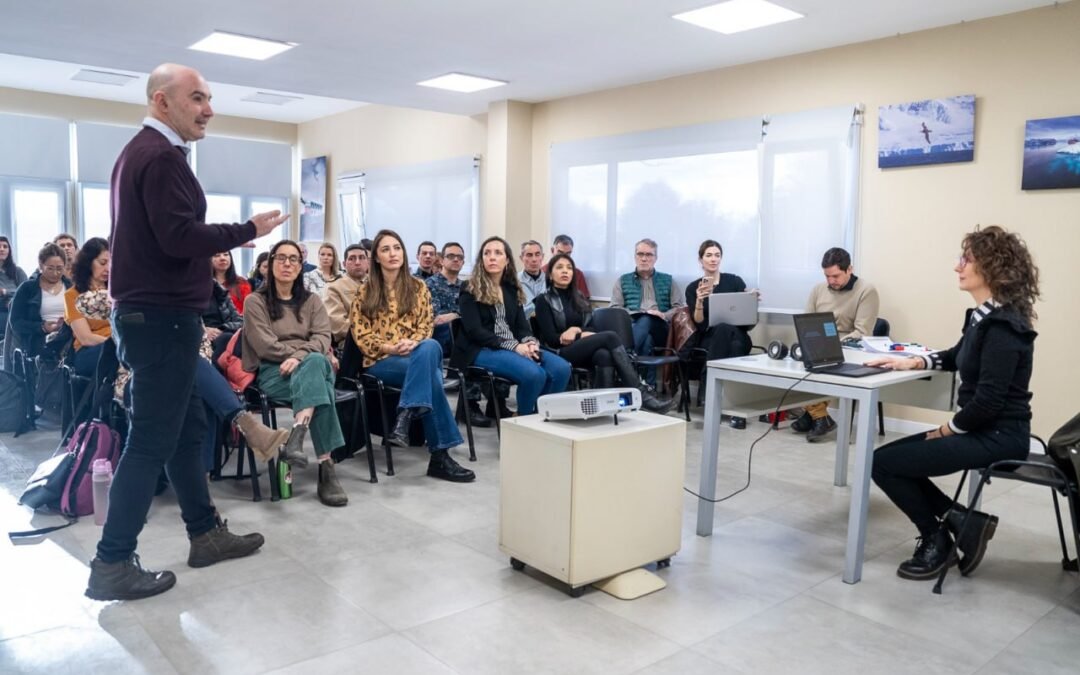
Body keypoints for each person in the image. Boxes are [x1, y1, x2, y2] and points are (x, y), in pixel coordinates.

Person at [85, 63, 288, 602]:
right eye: (197, 98)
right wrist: (248, 230)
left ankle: (204, 533)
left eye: (209, 98)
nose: (209, 109)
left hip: (151, 317)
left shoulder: (145, 154)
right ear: (162, 102)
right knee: (152, 439)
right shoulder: (158, 156)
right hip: (160, 319)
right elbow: (178, 237)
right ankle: (111, 563)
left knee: (186, 428)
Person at [866, 226, 1039, 581]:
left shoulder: (1004, 327)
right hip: (982, 428)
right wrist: (913, 362)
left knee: (883, 464)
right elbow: (955, 356)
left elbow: (988, 402)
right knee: (883, 461)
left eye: (966, 260)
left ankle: (938, 539)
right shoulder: (984, 317)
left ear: (991, 267)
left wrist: (946, 430)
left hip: (999, 435)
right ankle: (963, 522)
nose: (957, 266)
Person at [351, 230, 475, 482]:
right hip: (380, 361)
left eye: (397, 247)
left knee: (429, 347)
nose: (393, 253)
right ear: (375, 257)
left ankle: (406, 413)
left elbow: (426, 325)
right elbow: (361, 336)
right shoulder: (366, 292)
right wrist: (391, 348)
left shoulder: (418, 287)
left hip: (416, 354)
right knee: (431, 377)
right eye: (385, 249)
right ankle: (439, 456)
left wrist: (413, 342)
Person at [243, 239, 348, 508]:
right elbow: (264, 343)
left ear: (301, 266)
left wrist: (300, 356)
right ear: (270, 264)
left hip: (307, 364)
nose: (287, 264)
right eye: (281, 258)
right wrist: (302, 354)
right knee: (320, 384)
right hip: (274, 372)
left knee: (314, 363)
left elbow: (324, 336)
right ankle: (326, 467)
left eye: (293, 259)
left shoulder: (312, 301)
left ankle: (298, 435)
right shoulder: (255, 301)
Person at [534, 253, 674, 413]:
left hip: (580, 347)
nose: (565, 271)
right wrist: (578, 335)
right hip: (558, 352)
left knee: (604, 355)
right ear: (550, 275)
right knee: (610, 336)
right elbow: (551, 339)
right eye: (559, 268)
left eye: (569, 268)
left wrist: (576, 331)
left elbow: (592, 329)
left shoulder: (579, 297)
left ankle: (603, 408)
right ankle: (640, 392)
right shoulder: (543, 300)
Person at [451, 236, 571, 416]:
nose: (492, 257)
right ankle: (524, 422)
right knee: (534, 374)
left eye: (498, 253)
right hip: (479, 349)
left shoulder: (511, 288)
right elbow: (475, 331)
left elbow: (522, 325)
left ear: (507, 260)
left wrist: (530, 342)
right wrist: (515, 346)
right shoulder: (470, 287)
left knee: (562, 369)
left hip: (512, 347)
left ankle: (542, 417)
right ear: (481, 260)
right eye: (487, 253)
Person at [790, 247, 880, 442]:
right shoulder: (818, 289)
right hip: (817, 343)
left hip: (849, 346)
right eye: (827, 276)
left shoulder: (866, 291)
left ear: (850, 269)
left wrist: (830, 345)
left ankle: (814, 415)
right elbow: (806, 322)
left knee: (821, 364)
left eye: (836, 276)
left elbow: (863, 332)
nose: (831, 281)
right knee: (794, 362)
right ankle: (819, 416)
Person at [425, 242, 493, 428]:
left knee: (486, 339)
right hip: (440, 338)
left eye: (460, 257)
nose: (456, 260)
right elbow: (436, 318)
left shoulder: (469, 287)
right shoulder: (429, 285)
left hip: (464, 336)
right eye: (451, 256)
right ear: (441, 260)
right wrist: (461, 316)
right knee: (471, 344)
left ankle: (496, 402)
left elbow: (477, 316)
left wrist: (456, 315)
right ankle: (470, 406)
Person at [609, 238, 685, 386]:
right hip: (634, 327)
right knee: (646, 336)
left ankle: (624, 357)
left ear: (656, 258)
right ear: (635, 256)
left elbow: (679, 308)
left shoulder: (668, 280)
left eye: (649, 255)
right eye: (640, 254)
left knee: (648, 319)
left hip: (661, 330)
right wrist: (636, 314)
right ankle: (648, 388)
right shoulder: (623, 281)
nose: (644, 258)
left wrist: (663, 315)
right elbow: (615, 308)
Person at [684, 240, 757, 365]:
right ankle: (729, 384)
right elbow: (700, 324)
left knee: (726, 331)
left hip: (737, 333)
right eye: (709, 255)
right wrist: (699, 301)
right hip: (710, 337)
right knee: (734, 346)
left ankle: (707, 381)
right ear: (700, 260)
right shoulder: (693, 288)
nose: (714, 259)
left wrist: (751, 299)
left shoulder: (735, 281)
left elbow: (748, 323)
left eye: (717, 255)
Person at [4, 243, 69, 370]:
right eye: (50, 268)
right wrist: (42, 327)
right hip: (37, 339)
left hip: (67, 334)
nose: (55, 273)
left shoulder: (70, 287)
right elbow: (16, 322)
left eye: (59, 268)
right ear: (41, 265)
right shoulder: (27, 288)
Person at [64, 238, 112, 377]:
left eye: (111, 263)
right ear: (88, 263)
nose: (108, 268)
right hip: (89, 350)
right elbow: (86, 338)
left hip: (118, 345)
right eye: (103, 263)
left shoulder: (116, 291)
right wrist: (118, 345)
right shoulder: (72, 295)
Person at [324, 243, 369, 346]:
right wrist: (370, 332)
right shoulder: (334, 287)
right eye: (352, 259)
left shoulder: (379, 285)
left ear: (368, 262)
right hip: (352, 342)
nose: (357, 262)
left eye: (362, 258)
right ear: (344, 264)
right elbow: (338, 326)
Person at [0, 235, 29, 339]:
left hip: (15, 309)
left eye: (5, 246)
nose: (2, 249)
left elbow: (27, 292)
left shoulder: (18, 271)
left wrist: (5, 293)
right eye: (0, 246)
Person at [546, 234, 589, 300]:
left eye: (568, 253)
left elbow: (584, 301)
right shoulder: (542, 271)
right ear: (552, 250)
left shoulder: (578, 273)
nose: (564, 257)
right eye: (560, 252)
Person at [518, 240, 547, 318]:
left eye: (537, 254)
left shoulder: (551, 281)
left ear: (542, 257)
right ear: (521, 258)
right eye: (529, 255)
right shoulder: (514, 282)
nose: (534, 259)